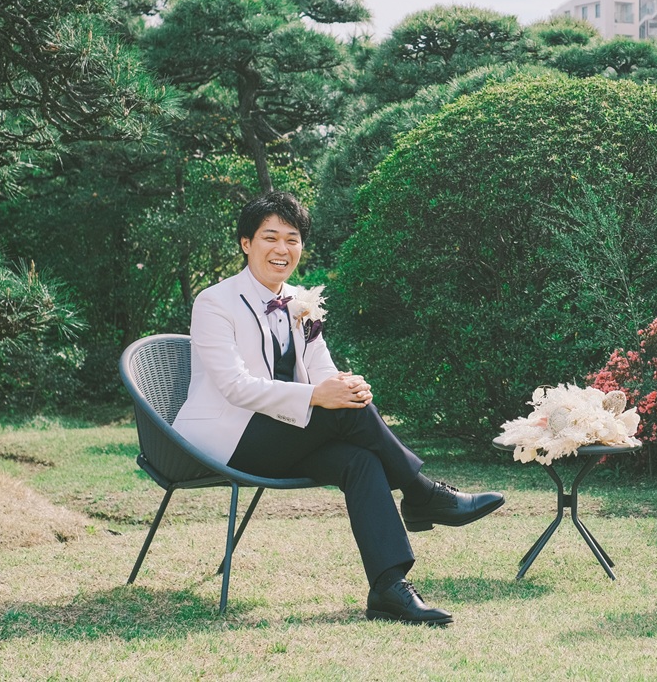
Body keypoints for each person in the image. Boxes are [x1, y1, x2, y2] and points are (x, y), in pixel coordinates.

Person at [172, 190, 504, 626]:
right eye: (270, 237)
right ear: (246, 243)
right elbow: (235, 387)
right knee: (344, 409)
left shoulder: (301, 302)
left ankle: (389, 589)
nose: (282, 248)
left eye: (292, 239)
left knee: (360, 458)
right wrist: (320, 397)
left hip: (286, 435)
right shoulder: (215, 302)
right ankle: (422, 493)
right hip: (229, 439)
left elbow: (322, 370)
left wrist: (347, 386)